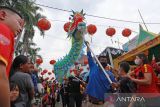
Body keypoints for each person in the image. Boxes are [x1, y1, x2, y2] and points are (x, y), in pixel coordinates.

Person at [0, 6, 24, 107]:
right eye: (19, 22)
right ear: (2, 15)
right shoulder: (4, 30)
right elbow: (1, 76)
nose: (20, 29)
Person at [86, 42, 116, 106]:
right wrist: (88, 46)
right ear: (98, 61)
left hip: (102, 103)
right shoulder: (93, 67)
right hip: (90, 102)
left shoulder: (110, 75)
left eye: (105, 61)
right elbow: (89, 55)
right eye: (101, 60)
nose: (103, 61)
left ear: (107, 63)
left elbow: (114, 88)